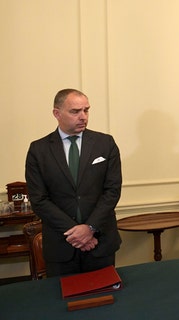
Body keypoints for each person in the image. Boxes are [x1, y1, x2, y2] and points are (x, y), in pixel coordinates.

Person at [25, 89, 122, 276]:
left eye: (86, 110)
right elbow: (39, 199)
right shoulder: (39, 150)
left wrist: (90, 228)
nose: (83, 116)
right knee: (64, 303)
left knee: (106, 300)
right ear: (57, 113)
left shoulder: (105, 143)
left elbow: (112, 191)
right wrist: (77, 233)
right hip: (61, 246)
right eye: (75, 111)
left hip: (100, 243)